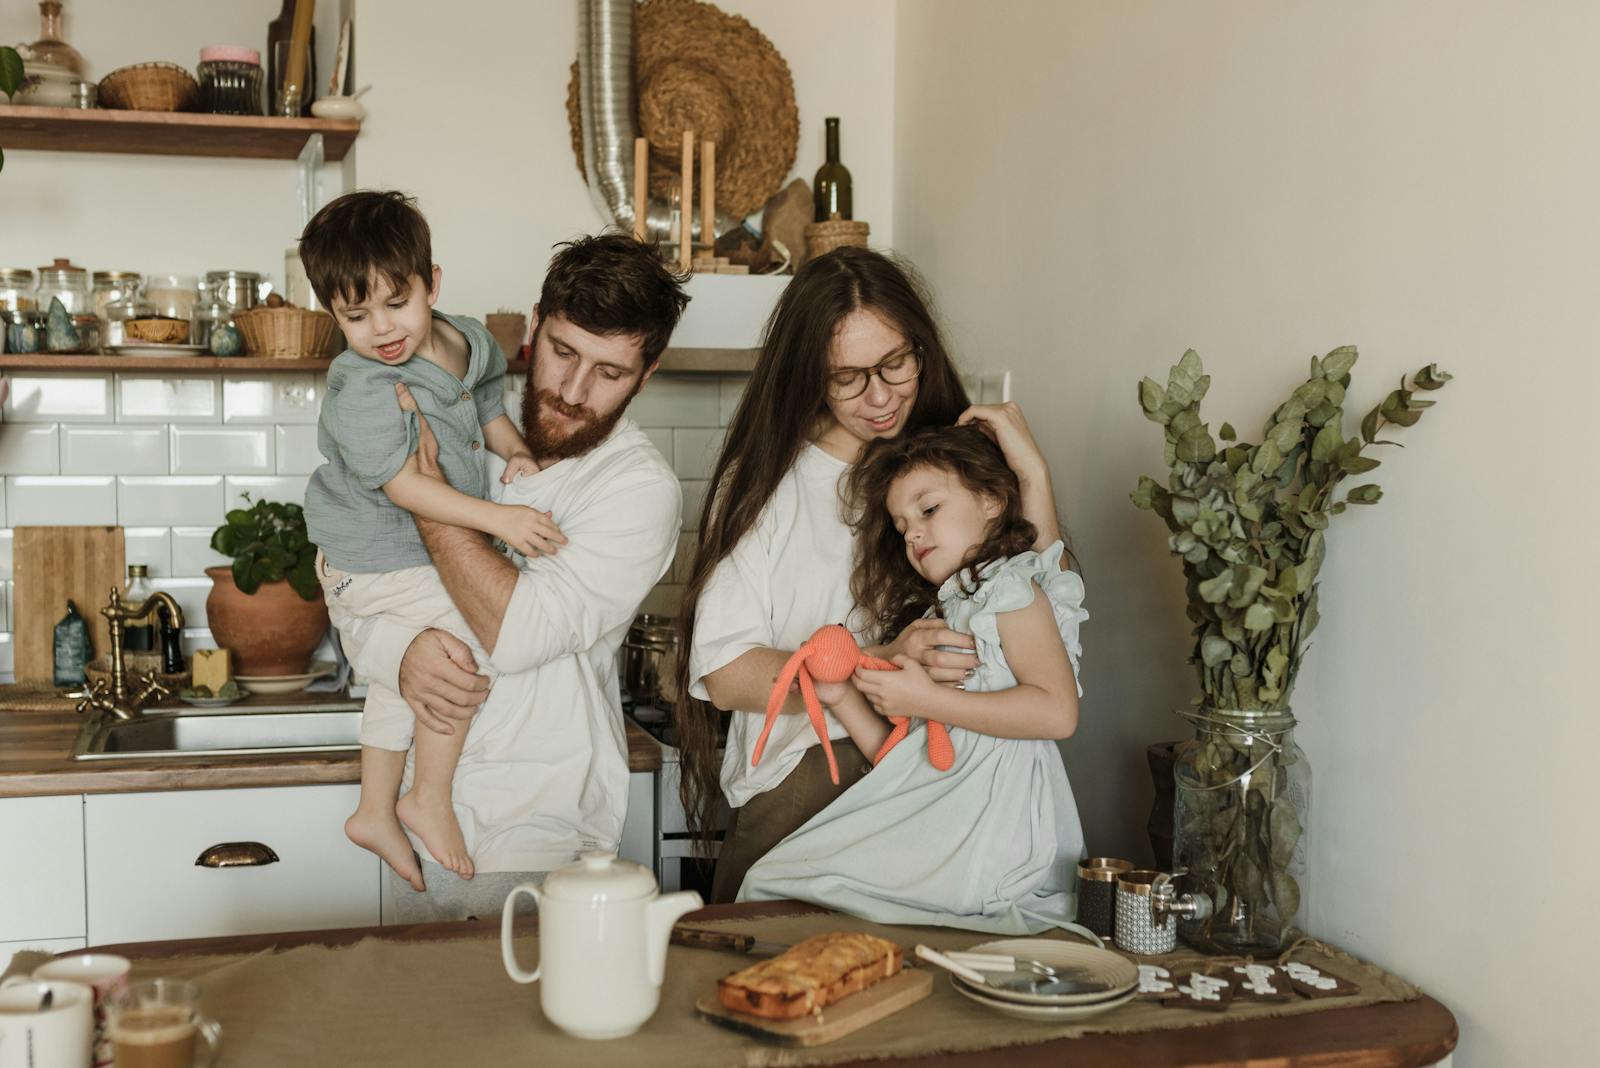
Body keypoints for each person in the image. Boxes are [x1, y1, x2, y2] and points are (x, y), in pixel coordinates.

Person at [673, 246, 1069, 903]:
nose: (882, 396)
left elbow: (1049, 619)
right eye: (848, 377)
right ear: (809, 376)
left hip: (957, 794)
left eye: (894, 363)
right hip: (811, 784)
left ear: (922, 347)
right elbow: (723, 673)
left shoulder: (949, 463)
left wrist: (1033, 477)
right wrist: (882, 661)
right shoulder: (767, 484)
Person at [329, 232, 689, 918]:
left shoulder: (638, 488)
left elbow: (518, 634)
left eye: (610, 373)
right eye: (562, 353)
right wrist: (398, 652)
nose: (574, 393)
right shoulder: (459, 417)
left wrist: (430, 507)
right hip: (418, 827)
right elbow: (349, 586)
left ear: (647, 373)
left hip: (536, 829)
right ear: (532, 328)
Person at [302, 190, 565, 890]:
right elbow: (404, 486)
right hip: (369, 554)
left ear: (432, 284)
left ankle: (373, 809)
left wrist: (514, 453)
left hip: (411, 556)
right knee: (462, 647)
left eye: (396, 303)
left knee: (426, 662)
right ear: (333, 313)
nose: (381, 329)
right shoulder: (359, 387)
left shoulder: (467, 339)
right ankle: (426, 798)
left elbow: (484, 404)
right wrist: (500, 519)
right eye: (355, 316)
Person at [738, 425, 1089, 932]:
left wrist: (927, 699)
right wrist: (841, 695)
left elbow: (1058, 713)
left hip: (992, 832)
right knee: (778, 878)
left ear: (992, 499)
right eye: (902, 527)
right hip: (943, 815)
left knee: (788, 883)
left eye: (928, 510)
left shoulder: (1012, 591)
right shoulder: (954, 609)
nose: (914, 533)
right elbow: (907, 759)